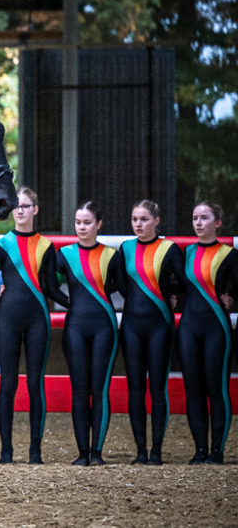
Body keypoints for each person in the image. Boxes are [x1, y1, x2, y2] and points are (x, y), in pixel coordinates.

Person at [0, 186, 64, 464]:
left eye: (25, 206)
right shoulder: (1, 245)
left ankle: (35, 452)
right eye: (15, 206)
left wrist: (76, 301)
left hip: (38, 320)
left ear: (35, 210)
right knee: (8, 384)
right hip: (8, 320)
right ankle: (6, 452)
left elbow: (51, 288)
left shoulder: (46, 246)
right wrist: (2, 303)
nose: (20, 210)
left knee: (35, 384)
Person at [56, 201, 124, 466]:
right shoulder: (64, 254)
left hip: (104, 327)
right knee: (80, 391)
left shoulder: (111, 255)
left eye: (87, 222)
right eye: (78, 222)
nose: (81, 227)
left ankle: (97, 453)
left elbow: (123, 285)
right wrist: (69, 303)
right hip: (75, 327)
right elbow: (49, 285)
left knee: (100, 389)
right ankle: (82, 453)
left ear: (99, 224)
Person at [118, 199, 185, 465]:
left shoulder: (170, 249)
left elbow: (185, 282)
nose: (138, 224)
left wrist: (169, 294)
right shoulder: (125, 248)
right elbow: (120, 284)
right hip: (131, 326)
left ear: (156, 221)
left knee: (157, 389)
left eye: (144, 219)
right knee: (135, 389)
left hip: (160, 326)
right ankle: (140, 452)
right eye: (135, 219)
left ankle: (156, 451)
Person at [177, 201, 237, 464]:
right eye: (195, 218)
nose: (198, 223)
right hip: (188, 328)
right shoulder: (187, 252)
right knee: (193, 389)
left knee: (216, 388)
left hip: (216, 328)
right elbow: (176, 284)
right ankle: (200, 449)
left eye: (204, 218)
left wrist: (232, 295)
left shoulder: (229, 254)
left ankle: (217, 451)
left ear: (217, 223)